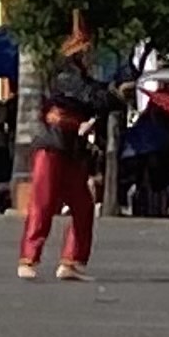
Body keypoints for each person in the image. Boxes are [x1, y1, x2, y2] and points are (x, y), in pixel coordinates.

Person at [19, 87, 104, 280]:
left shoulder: (86, 75)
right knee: (43, 203)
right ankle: (28, 258)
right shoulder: (64, 69)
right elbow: (67, 96)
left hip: (73, 149)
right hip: (52, 145)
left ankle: (72, 260)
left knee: (83, 205)